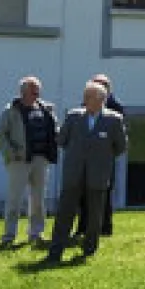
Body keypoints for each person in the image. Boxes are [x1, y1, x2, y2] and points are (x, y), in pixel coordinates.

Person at [46, 79, 129, 263]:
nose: (85, 100)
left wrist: (103, 156)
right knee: (64, 213)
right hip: (73, 173)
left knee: (94, 214)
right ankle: (56, 250)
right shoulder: (74, 116)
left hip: (98, 174)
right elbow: (61, 140)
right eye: (85, 96)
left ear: (101, 99)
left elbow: (121, 147)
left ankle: (89, 248)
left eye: (89, 97)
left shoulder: (114, 120)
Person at [0, 76, 59, 246]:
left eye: (38, 91)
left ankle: (36, 234)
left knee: (38, 199)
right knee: (14, 199)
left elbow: (55, 130)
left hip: (41, 159)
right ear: (23, 92)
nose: (37, 95)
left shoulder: (46, 109)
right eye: (33, 91)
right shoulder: (10, 111)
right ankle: (9, 235)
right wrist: (11, 153)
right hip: (19, 160)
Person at [73, 73, 124, 238]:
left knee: (104, 193)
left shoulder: (116, 108)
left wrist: (109, 153)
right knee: (83, 194)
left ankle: (105, 227)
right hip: (84, 159)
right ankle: (82, 227)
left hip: (104, 160)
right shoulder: (83, 108)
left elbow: (119, 139)